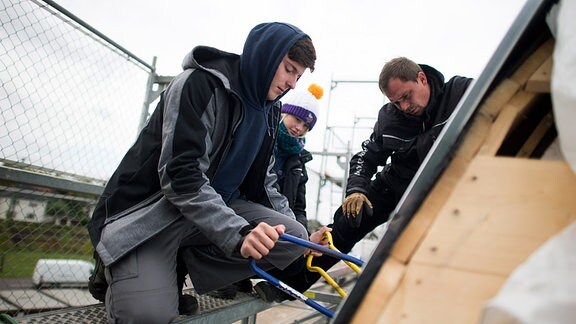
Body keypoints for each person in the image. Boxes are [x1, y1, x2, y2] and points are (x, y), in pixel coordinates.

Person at [86, 22, 327, 323]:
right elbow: (181, 177)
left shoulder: (269, 111)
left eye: (299, 76)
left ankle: (176, 267)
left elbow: (266, 186)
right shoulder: (200, 84)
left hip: (207, 219)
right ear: (266, 56)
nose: (292, 84)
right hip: (154, 217)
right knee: (148, 316)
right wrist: (238, 234)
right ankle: (118, 264)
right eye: (289, 69)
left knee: (292, 237)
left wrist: (305, 243)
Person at [255, 56, 473, 300]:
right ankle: (288, 285)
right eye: (395, 101)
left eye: (406, 96)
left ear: (422, 78)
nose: (403, 106)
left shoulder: (461, 93)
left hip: (447, 186)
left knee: (425, 245)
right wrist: (356, 190)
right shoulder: (390, 117)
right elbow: (366, 156)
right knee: (348, 221)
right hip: (398, 184)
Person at [273, 83, 323, 231]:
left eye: (306, 126)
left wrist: (304, 237)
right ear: (283, 113)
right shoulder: (263, 139)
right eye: (297, 119)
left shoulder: (299, 161)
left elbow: (299, 208)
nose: (299, 128)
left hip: (282, 224)